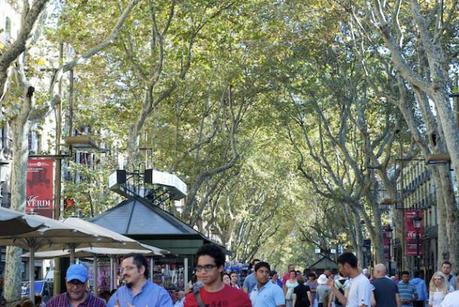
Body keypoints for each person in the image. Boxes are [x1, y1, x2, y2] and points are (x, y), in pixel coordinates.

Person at [184, 244, 251, 307]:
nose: (203, 272)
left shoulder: (240, 298)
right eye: (199, 267)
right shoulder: (191, 300)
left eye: (208, 267)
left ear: (220, 267)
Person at [108, 253, 172, 307]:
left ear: (141, 270)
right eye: (122, 269)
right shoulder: (119, 294)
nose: (124, 272)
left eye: (129, 268)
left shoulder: (160, 295)